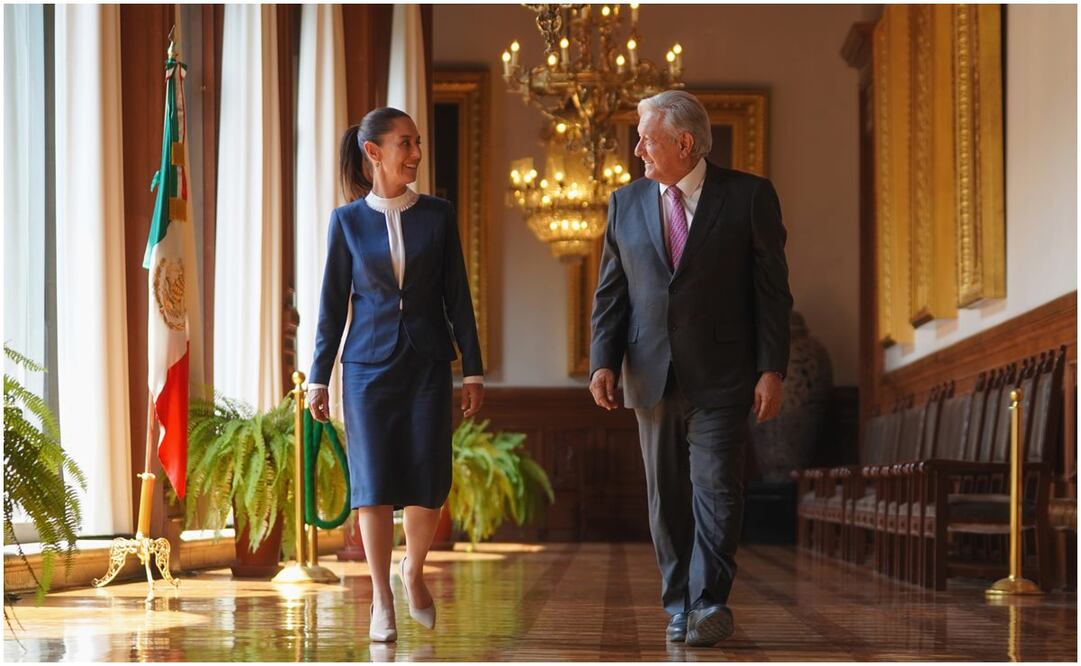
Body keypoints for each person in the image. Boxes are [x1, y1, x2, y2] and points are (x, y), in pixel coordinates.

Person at [588, 90, 792, 647]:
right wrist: (601, 361)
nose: (636, 150)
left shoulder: (749, 196)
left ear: (683, 142)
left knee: (718, 489)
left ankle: (708, 603)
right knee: (666, 496)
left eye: (646, 138)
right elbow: (611, 293)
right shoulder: (624, 203)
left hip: (725, 373)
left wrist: (772, 368)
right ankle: (677, 603)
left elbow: (773, 293)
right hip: (649, 370)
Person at [307, 107, 484, 643]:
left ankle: (413, 569)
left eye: (418, 142)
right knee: (374, 484)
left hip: (428, 364)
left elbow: (459, 299)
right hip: (365, 369)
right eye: (405, 143)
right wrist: (318, 376)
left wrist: (472, 371)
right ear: (374, 152)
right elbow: (331, 305)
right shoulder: (347, 222)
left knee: (429, 481)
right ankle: (382, 597)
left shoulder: (438, 215)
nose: (415, 154)